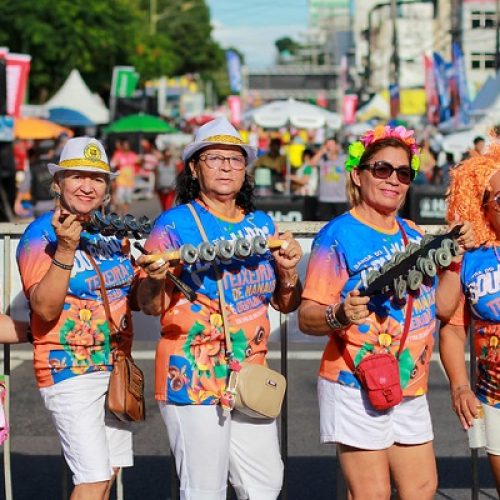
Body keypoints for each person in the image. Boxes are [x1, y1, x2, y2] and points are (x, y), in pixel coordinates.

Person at [298, 125, 473, 499]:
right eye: (382, 169)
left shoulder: (412, 234)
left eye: (404, 172)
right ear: (357, 175)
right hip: (356, 381)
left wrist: (455, 264)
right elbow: (307, 315)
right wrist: (339, 315)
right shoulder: (337, 235)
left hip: (410, 382)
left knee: (423, 487)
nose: (394, 179)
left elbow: (441, 307)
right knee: (371, 493)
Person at [136, 117, 303, 499]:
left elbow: (284, 301)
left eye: (236, 159)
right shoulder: (175, 225)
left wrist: (290, 272)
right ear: (194, 169)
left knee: (265, 484)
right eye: (214, 158)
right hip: (192, 371)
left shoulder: (262, 224)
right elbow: (149, 305)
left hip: (249, 372)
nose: (227, 166)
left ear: (246, 171)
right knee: (203, 489)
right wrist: (157, 278)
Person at [16, 137, 138, 500]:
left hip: (115, 366)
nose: (88, 186)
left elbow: (137, 295)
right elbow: (45, 308)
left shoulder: (111, 233)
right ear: (58, 183)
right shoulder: (40, 235)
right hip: (68, 367)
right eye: (77, 177)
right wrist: (66, 249)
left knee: (108, 473)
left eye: (97, 179)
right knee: (93, 476)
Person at [437, 142, 500, 495]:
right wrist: (460, 385)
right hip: (494, 399)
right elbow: (451, 325)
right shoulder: (473, 259)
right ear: (485, 208)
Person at [310, 136, 348, 221]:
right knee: (324, 224)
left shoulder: (344, 158)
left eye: (331, 145)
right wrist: (321, 152)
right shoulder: (322, 159)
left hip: (340, 199)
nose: (329, 148)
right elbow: (311, 164)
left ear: (337, 146)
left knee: (341, 224)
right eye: (327, 146)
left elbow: (349, 176)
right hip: (324, 198)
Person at [110, 139, 139, 215]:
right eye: (125, 145)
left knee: (127, 200)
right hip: (120, 182)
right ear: (122, 146)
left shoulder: (132, 155)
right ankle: (119, 214)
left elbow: (140, 162)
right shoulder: (118, 154)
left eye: (127, 145)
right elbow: (112, 164)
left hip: (130, 182)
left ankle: (125, 214)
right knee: (120, 200)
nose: (126, 147)